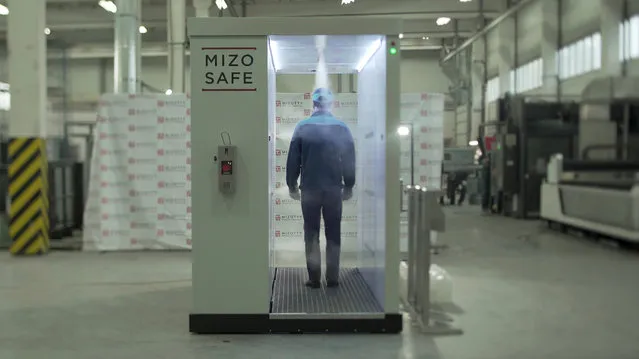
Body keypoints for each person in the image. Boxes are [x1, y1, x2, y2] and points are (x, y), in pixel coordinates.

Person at [286, 88, 356, 289]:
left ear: (313, 104)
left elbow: (293, 160)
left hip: (310, 190)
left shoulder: (302, 127)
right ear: (331, 104)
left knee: (312, 233)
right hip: (334, 189)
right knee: (334, 233)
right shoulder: (342, 128)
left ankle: (314, 278)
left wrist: (292, 185)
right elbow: (349, 160)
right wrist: (349, 185)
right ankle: (333, 278)